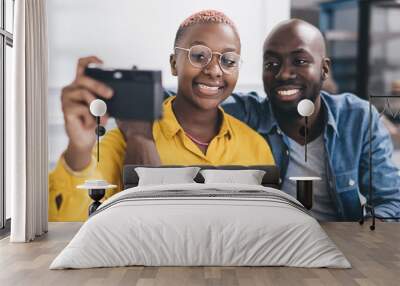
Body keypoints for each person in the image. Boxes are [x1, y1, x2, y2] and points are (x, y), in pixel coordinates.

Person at [48, 10, 275, 221]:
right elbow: (69, 221)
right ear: (174, 64)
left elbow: (267, 221)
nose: (215, 70)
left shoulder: (255, 146)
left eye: (228, 60)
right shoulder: (120, 143)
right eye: (199, 55)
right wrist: (78, 150)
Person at [222, 19, 400, 221]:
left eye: (299, 61)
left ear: (324, 69)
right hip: (268, 245)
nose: (283, 74)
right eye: (271, 64)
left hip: (337, 244)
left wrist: (360, 241)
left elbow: (391, 201)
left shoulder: (358, 119)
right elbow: (183, 99)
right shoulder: (246, 114)